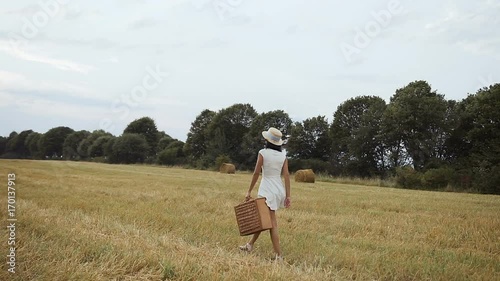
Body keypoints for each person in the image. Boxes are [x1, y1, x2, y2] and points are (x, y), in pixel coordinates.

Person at [239, 127, 291, 261]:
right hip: (278, 189)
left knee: (271, 223)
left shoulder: (263, 152)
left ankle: (279, 256)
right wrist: (288, 195)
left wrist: (249, 190)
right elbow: (286, 175)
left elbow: (257, 172)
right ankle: (250, 245)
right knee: (262, 219)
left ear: (267, 140)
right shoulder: (283, 155)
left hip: (267, 189)